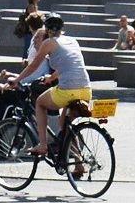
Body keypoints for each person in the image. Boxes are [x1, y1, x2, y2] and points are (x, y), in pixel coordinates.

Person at [15, 14, 95, 159]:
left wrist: (17, 79)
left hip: (68, 90)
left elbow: (33, 65)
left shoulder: (49, 42)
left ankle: (43, 145)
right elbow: (69, 65)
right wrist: (51, 78)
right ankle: (79, 163)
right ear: (62, 28)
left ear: (46, 29)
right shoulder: (72, 41)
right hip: (86, 90)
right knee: (64, 123)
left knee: (39, 102)